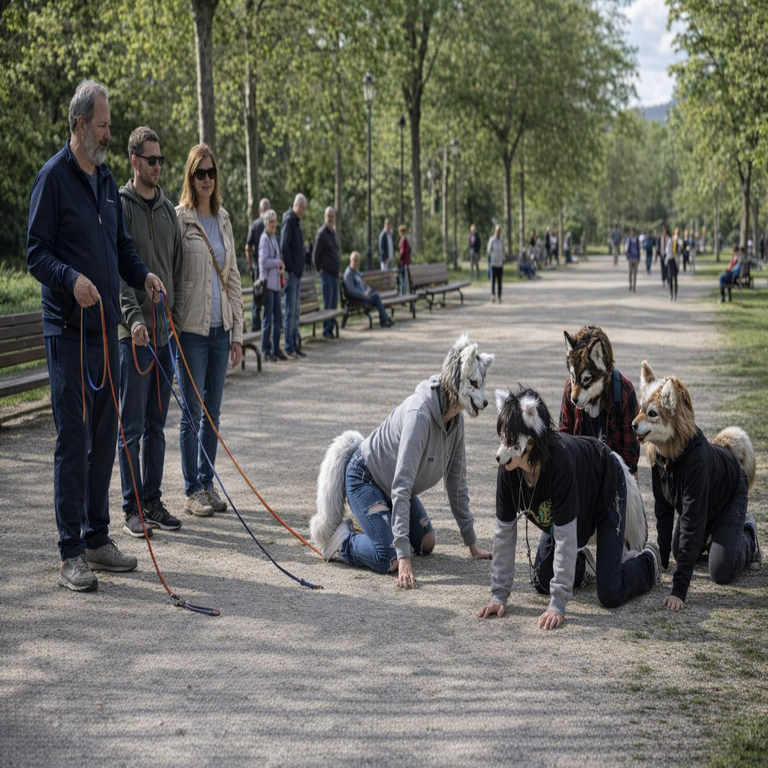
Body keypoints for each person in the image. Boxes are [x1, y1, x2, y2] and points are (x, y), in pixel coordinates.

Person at [27, 80, 165, 592]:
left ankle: (97, 536)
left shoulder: (106, 181)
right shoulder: (53, 178)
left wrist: (143, 274)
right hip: (66, 330)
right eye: (104, 125)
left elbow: (122, 249)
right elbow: (36, 253)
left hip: (107, 331)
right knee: (74, 437)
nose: (109, 133)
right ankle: (70, 552)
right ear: (81, 124)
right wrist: (71, 279)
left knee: (106, 438)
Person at [311, 335, 494, 586]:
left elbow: (457, 483)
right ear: (457, 379)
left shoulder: (456, 421)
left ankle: (377, 520)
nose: (481, 398)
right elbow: (402, 484)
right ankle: (342, 543)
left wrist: (471, 543)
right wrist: (404, 555)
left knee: (427, 542)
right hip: (365, 476)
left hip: (391, 484)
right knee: (388, 556)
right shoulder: (420, 415)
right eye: (473, 384)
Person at [477, 387, 660, 630]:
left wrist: (558, 604)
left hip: (604, 487)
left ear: (530, 442)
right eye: (502, 439)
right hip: (571, 510)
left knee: (610, 593)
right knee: (542, 579)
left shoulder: (559, 464)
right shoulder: (508, 470)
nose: (501, 452)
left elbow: (564, 536)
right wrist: (499, 595)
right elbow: (504, 534)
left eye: (511, 442)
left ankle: (648, 560)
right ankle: (586, 562)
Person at [117, 126, 183, 538]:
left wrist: (170, 317)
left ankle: (153, 499)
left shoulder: (166, 209)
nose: (158, 166)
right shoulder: (121, 207)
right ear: (135, 161)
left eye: (161, 160)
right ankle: (131, 507)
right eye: (151, 159)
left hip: (164, 336)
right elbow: (120, 272)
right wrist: (134, 319)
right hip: (134, 337)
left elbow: (174, 267)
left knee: (157, 425)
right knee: (133, 427)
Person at [175, 143, 243, 517]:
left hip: (220, 331)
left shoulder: (224, 218)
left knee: (212, 413)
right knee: (191, 412)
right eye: (199, 173)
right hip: (192, 330)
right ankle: (191, 490)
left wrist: (237, 333)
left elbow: (232, 276)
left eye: (211, 172)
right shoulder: (180, 218)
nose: (206, 179)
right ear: (190, 176)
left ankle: (206, 480)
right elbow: (172, 273)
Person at [281, 193, 307, 359]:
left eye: (304, 209)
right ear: (295, 205)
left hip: (297, 273)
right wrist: (291, 267)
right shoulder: (289, 219)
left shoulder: (296, 222)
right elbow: (284, 246)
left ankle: (295, 344)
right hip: (291, 274)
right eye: (302, 208)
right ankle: (289, 346)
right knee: (290, 312)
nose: (303, 211)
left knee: (296, 312)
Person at [259, 209, 286, 361]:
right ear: (266, 223)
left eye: (275, 222)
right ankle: (265, 349)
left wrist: (280, 265)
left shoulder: (273, 238)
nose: (274, 225)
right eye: (271, 222)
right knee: (267, 319)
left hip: (276, 284)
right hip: (268, 284)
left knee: (278, 319)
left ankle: (276, 348)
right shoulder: (264, 239)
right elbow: (263, 261)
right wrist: (278, 263)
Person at [343, 251, 394, 328]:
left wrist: (368, 290)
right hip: (357, 299)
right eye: (355, 261)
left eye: (358, 261)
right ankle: (384, 320)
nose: (357, 263)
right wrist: (363, 294)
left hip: (364, 296)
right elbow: (351, 290)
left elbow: (364, 285)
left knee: (375, 293)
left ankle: (385, 319)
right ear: (350, 261)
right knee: (376, 296)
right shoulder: (348, 274)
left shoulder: (357, 272)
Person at [313, 206, 341, 339]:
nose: (330, 218)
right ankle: (326, 330)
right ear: (325, 217)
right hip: (327, 274)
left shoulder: (333, 233)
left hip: (335, 275)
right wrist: (319, 269)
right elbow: (315, 255)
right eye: (328, 216)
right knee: (328, 303)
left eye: (332, 216)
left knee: (334, 304)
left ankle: (330, 329)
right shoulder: (322, 233)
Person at [245, 198, 270, 332]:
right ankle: (266, 327)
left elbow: (247, 247)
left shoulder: (254, 225)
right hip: (268, 270)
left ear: (260, 210)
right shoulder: (270, 224)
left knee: (257, 299)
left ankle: (256, 327)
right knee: (267, 300)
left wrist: (250, 265)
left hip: (257, 268)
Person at [487, 224, 505, 303]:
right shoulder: (492, 239)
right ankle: (493, 295)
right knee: (493, 281)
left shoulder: (501, 240)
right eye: (497, 230)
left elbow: (503, 249)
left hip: (500, 263)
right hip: (493, 263)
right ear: (495, 231)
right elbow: (489, 250)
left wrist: (503, 257)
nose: (498, 232)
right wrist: (493, 256)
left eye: (499, 230)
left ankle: (500, 296)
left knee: (500, 281)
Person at [397, 224, 411, 295]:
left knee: (402, 278)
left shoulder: (403, 239)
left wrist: (399, 259)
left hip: (403, 261)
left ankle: (403, 293)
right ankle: (404, 292)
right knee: (404, 278)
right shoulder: (406, 239)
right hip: (407, 260)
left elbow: (402, 252)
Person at [666, 227, 680, 301]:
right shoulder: (671, 241)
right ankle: (672, 294)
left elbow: (675, 251)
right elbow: (668, 252)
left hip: (674, 260)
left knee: (674, 278)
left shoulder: (676, 241)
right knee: (671, 278)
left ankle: (674, 295)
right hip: (671, 260)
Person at [626, 226, 640, 293]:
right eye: (631, 231)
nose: (632, 233)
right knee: (630, 273)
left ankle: (634, 286)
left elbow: (638, 249)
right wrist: (627, 256)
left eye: (633, 231)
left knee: (635, 273)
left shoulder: (637, 239)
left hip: (636, 258)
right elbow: (626, 248)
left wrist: (639, 257)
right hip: (630, 258)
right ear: (630, 232)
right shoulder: (628, 239)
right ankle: (630, 285)